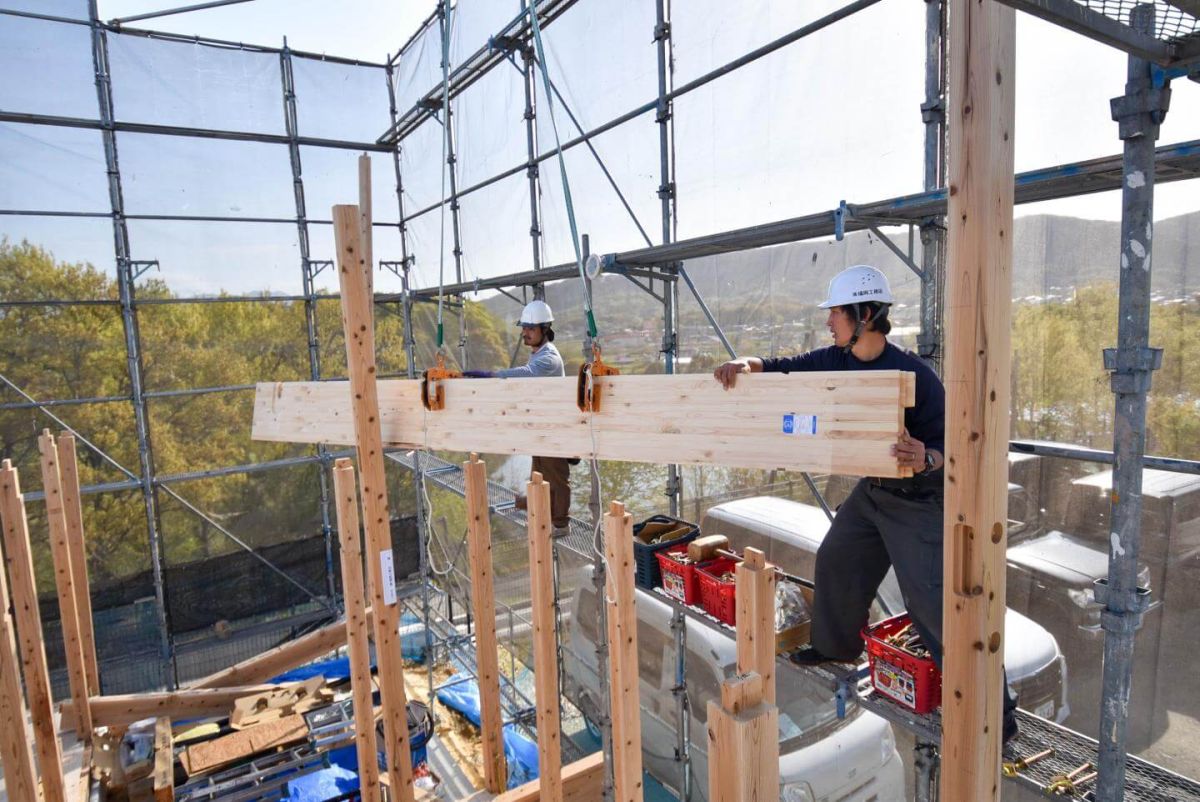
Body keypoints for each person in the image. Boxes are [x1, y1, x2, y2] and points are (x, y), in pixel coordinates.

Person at [713, 264, 1018, 742]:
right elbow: (784, 365)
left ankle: (993, 711)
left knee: (933, 604)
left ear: (866, 314)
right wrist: (746, 364)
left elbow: (962, 447)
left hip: (922, 500)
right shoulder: (839, 357)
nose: (829, 321)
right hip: (876, 492)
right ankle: (836, 646)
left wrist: (928, 456)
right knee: (837, 558)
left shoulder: (914, 374)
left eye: (836, 312)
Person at [464, 299, 575, 533]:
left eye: (530, 329)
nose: (524, 333)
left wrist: (494, 375)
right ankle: (538, 503)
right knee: (540, 472)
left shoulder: (549, 358)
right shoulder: (538, 354)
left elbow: (528, 374)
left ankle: (560, 523)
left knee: (556, 476)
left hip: (555, 428)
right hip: (543, 425)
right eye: (523, 328)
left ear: (545, 330)